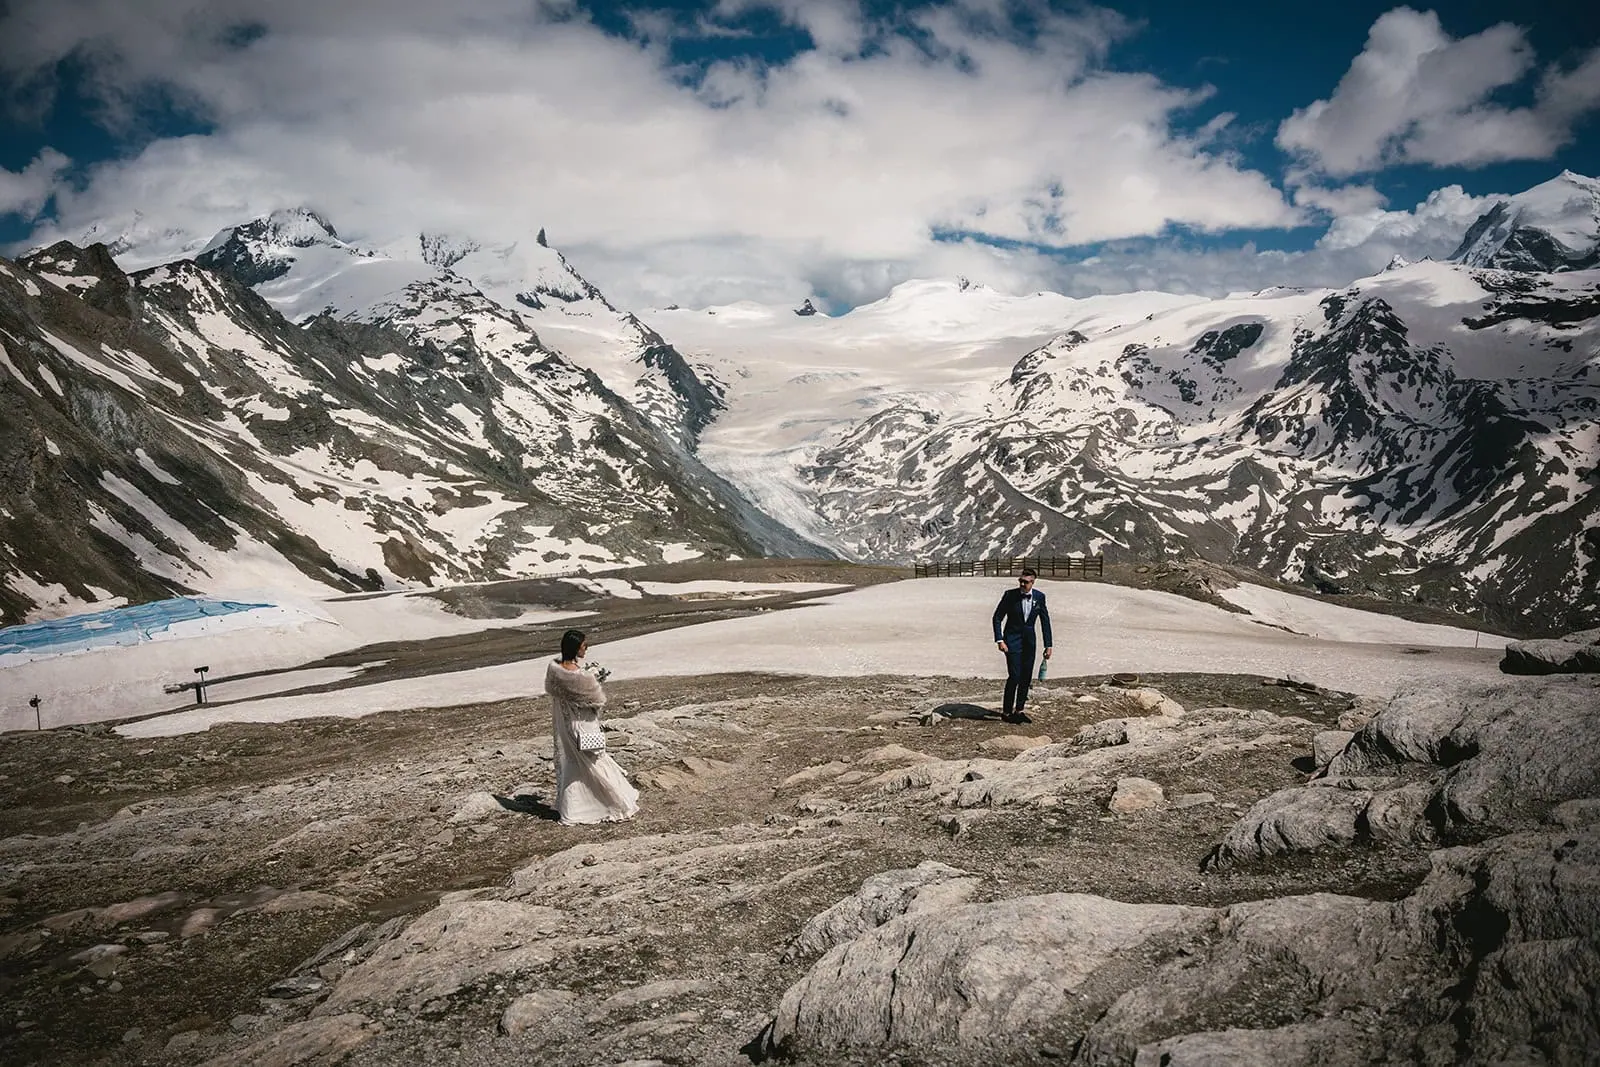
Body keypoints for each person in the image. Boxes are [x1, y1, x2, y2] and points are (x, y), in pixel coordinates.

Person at [542, 628, 639, 825]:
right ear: (576, 647)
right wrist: (595, 682)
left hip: (567, 727)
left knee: (574, 764)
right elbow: (594, 703)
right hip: (583, 726)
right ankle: (611, 802)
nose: (587, 648)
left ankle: (572, 806)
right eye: (584, 645)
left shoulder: (554, 671)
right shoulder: (580, 677)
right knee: (594, 761)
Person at [991, 568, 1052, 723]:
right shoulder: (1010, 596)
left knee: (1026, 676)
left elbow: (1045, 621)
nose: (1022, 584)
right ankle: (1006, 712)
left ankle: (1019, 710)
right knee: (1015, 675)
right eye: (1021, 581)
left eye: (1026, 582)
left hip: (1029, 642)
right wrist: (1000, 640)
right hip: (1011, 641)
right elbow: (997, 617)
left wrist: (1048, 645)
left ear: (1033, 582)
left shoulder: (1039, 597)